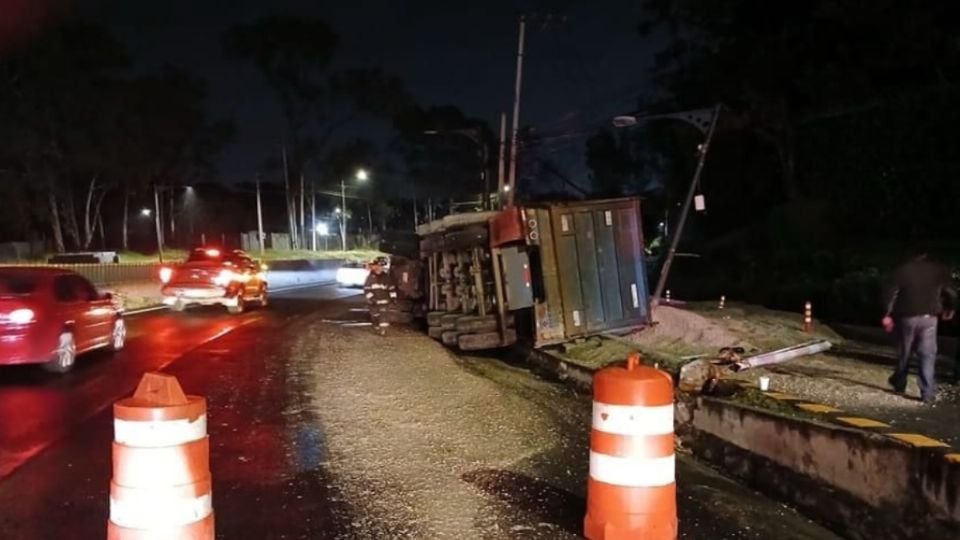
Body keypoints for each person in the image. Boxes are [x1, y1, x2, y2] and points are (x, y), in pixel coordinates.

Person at [882, 248, 957, 404]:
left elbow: (890, 294)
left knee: (905, 351)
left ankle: (899, 382)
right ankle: (927, 392)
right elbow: (951, 292)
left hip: (906, 316)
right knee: (927, 354)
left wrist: (887, 314)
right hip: (929, 317)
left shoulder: (902, 270)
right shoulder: (938, 271)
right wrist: (950, 308)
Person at [363, 258, 397, 336]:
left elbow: (391, 288)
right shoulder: (370, 278)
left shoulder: (387, 277)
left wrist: (393, 298)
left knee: (384, 315)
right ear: (375, 267)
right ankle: (376, 325)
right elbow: (367, 290)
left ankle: (383, 330)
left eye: (382, 266)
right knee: (375, 315)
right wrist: (371, 299)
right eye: (378, 266)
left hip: (384, 301)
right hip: (374, 301)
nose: (380, 268)